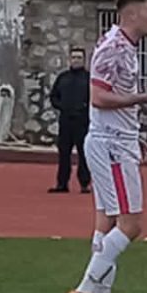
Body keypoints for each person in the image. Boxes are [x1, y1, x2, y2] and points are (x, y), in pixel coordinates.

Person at [64, 0, 147, 293]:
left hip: (116, 140)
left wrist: (134, 134)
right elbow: (99, 98)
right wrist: (144, 98)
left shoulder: (124, 47)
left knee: (106, 221)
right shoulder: (113, 48)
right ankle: (84, 289)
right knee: (131, 224)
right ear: (131, 14)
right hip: (112, 146)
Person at [48, 48, 92, 194]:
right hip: (66, 121)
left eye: (79, 57)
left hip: (83, 121)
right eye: (74, 57)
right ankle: (62, 184)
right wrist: (62, 106)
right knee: (64, 153)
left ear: (84, 60)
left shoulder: (89, 79)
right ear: (69, 59)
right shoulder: (63, 78)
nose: (76, 60)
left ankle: (84, 184)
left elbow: (94, 98)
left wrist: (85, 109)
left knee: (84, 153)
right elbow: (53, 96)